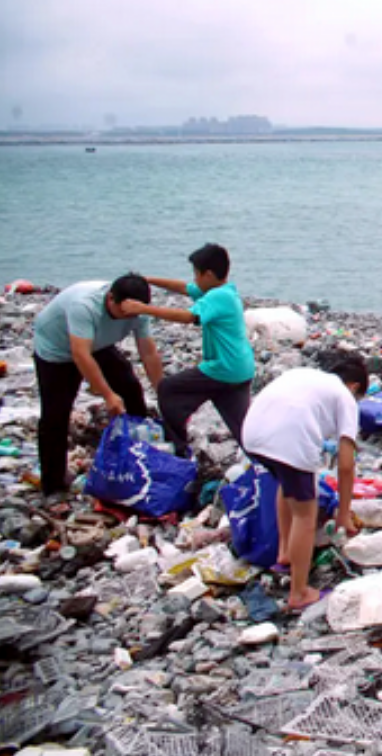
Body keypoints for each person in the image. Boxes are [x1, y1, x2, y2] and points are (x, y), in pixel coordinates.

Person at [241, 354, 367, 612]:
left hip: (252, 433)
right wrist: (343, 515)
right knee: (305, 514)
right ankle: (299, 592)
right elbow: (345, 464)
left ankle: (285, 553)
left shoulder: (305, 375)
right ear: (354, 387)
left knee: (287, 485)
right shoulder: (345, 397)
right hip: (290, 438)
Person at [32, 275, 164, 494]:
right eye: (123, 313)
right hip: (57, 350)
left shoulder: (137, 311)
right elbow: (80, 355)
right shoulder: (84, 306)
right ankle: (53, 484)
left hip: (97, 343)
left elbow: (148, 352)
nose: (128, 317)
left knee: (130, 387)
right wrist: (107, 395)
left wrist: (161, 390)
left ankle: (140, 455)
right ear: (110, 298)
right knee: (56, 415)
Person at [121, 244, 254, 458]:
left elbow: (188, 317)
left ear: (208, 274)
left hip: (223, 368)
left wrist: (143, 309)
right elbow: (184, 288)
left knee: (168, 390)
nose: (194, 279)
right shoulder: (223, 291)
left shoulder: (217, 297)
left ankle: (179, 450)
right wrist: (149, 280)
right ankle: (269, 467)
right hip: (241, 369)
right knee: (245, 432)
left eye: (196, 274)